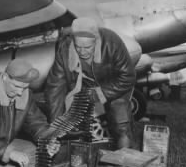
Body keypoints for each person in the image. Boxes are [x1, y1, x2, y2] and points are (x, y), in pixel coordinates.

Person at [45, 17, 136, 149]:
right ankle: (85, 154)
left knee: (121, 124)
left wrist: (98, 94)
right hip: (84, 86)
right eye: (78, 47)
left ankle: (124, 163)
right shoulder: (65, 49)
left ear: (96, 40)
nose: (82, 52)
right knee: (75, 124)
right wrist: (56, 125)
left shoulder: (112, 42)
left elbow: (127, 76)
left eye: (87, 47)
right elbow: (55, 87)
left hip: (114, 85)